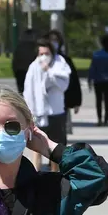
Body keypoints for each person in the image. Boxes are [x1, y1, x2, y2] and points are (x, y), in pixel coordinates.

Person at [22, 38, 72, 172]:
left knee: (54, 147)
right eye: (41, 53)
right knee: (36, 146)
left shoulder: (59, 63)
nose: (44, 57)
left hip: (55, 112)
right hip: (38, 112)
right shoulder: (34, 66)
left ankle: (54, 174)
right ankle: (36, 173)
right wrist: (28, 110)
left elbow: (63, 84)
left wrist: (49, 71)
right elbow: (28, 89)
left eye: (46, 53)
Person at [48, 29, 83, 117]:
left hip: (63, 102)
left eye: (56, 40)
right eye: (51, 40)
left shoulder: (65, 61)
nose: (53, 43)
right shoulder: (39, 61)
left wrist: (76, 102)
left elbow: (74, 81)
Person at [88, 34, 108, 126]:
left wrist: (90, 80)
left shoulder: (96, 55)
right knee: (107, 100)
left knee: (98, 100)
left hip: (98, 80)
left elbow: (92, 68)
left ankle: (99, 119)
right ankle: (106, 120)